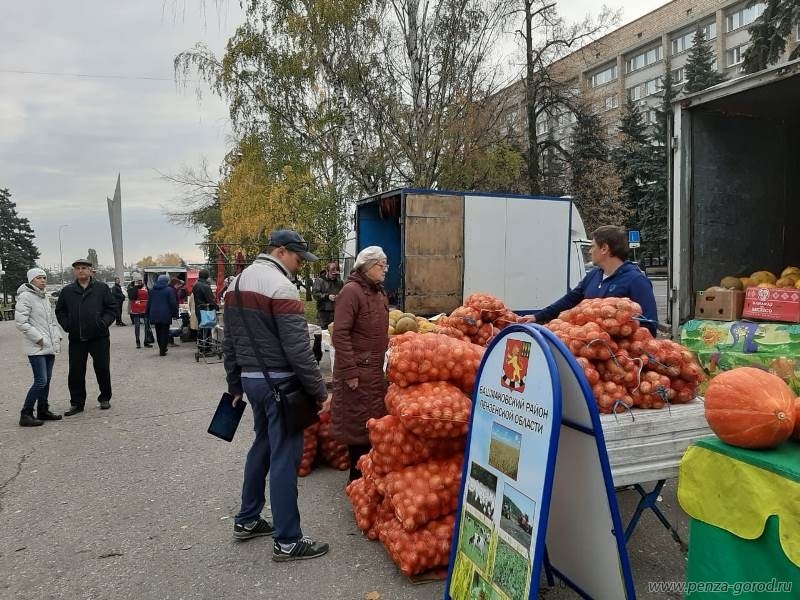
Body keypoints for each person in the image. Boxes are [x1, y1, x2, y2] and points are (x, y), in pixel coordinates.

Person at [222, 229, 329, 562]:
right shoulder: (282, 287)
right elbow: (298, 350)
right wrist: (319, 390)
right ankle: (287, 539)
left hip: (252, 383)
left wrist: (234, 383)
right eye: (298, 258)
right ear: (281, 251)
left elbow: (229, 342)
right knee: (285, 455)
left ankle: (248, 518)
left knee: (263, 445)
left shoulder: (235, 285)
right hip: (281, 386)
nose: (299, 266)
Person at [524, 225, 659, 336]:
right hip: (588, 349)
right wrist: (537, 317)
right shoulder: (594, 275)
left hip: (615, 358)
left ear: (604, 249)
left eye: (593, 246)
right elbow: (569, 300)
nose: (589, 251)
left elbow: (650, 325)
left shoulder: (636, 280)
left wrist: (616, 335)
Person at [330, 246, 390, 482]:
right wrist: (350, 371)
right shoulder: (351, 292)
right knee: (357, 429)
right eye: (380, 265)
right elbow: (340, 334)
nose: (384, 270)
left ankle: (367, 478)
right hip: (358, 373)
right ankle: (355, 481)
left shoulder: (379, 293)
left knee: (371, 426)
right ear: (367, 267)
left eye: (385, 265)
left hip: (375, 372)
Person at [55, 258, 116, 415]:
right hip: (77, 338)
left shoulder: (101, 288)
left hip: (99, 337)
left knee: (102, 368)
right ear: (74, 272)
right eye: (77, 268)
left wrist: (103, 323)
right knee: (76, 371)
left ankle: (105, 398)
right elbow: (60, 310)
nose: (80, 270)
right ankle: (77, 403)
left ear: (91, 271)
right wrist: (67, 325)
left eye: (84, 268)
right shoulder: (67, 291)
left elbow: (111, 308)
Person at [14, 268, 63, 426]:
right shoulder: (26, 297)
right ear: (31, 280)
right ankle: (26, 413)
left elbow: (51, 321)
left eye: (44, 277)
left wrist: (57, 336)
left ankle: (43, 409)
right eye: (39, 278)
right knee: (40, 380)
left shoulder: (43, 297)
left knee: (47, 380)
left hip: (49, 345)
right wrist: (39, 339)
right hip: (37, 346)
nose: (43, 280)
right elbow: (21, 322)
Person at [146, 274, 179, 356]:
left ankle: (161, 347)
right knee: (165, 332)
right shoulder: (169, 290)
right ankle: (163, 349)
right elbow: (173, 303)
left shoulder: (152, 290)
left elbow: (148, 303)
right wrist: (175, 314)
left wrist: (147, 314)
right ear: (166, 281)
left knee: (158, 331)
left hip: (154, 313)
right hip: (165, 314)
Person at [312, 262, 343, 331]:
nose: (334, 276)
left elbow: (343, 294)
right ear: (327, 271)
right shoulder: (320, 281)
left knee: (334, 333)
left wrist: (339, 297)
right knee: (323, 334)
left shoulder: (340, 282)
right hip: (323, 314)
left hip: (336, 313)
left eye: (336, 274)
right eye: (332, 273)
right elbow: (315, 294)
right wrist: (327, 296)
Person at [192, 268, 217, 353]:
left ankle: (201, 346)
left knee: (201, 327)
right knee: (206, 328)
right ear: (207, 276)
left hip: (198, 309)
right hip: (205, 310)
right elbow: (210, 300)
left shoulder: (196, 285)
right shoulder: (205, 286)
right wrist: (216, 307)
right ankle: (206, 348)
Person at [127, 274, 153, 349]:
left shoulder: (145, 287)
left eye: (140, 280)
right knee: (137, 326)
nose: (139, 282)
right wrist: (135, 287)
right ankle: (138, 341)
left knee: (146, 325)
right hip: (136, 309)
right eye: (138, 280)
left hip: (145, 308)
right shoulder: (131, 286)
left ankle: (146, 341)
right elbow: (131, 296)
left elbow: (149, 295)